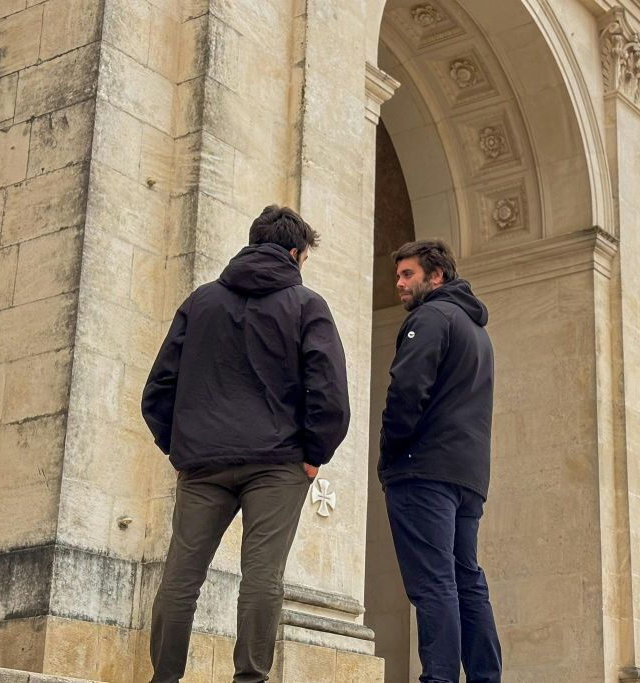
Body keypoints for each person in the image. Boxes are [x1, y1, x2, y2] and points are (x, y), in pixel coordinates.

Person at [142, 205, 351, 683]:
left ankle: (164, 679)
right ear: (296, 253)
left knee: (181, 576)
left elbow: (158, 389)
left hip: (202, 464)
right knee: (261, 576)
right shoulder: (306, 305)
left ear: (254, 242)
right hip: (278, 462)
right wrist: (315, 454)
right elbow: (330, 393)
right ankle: (250, 680)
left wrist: (181, 447)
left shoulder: (202, 301)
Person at [378, 239, 502, 683]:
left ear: (437, 276)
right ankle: (486, 676)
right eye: (398, 275)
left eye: (408, 274)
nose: (399, 283)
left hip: (424, 470)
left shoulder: (430, 318)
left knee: (434, 583)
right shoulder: (477, 333)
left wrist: (390, 450)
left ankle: (440, 678)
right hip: (467, 477)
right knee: (466, 579)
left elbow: (407, 389)